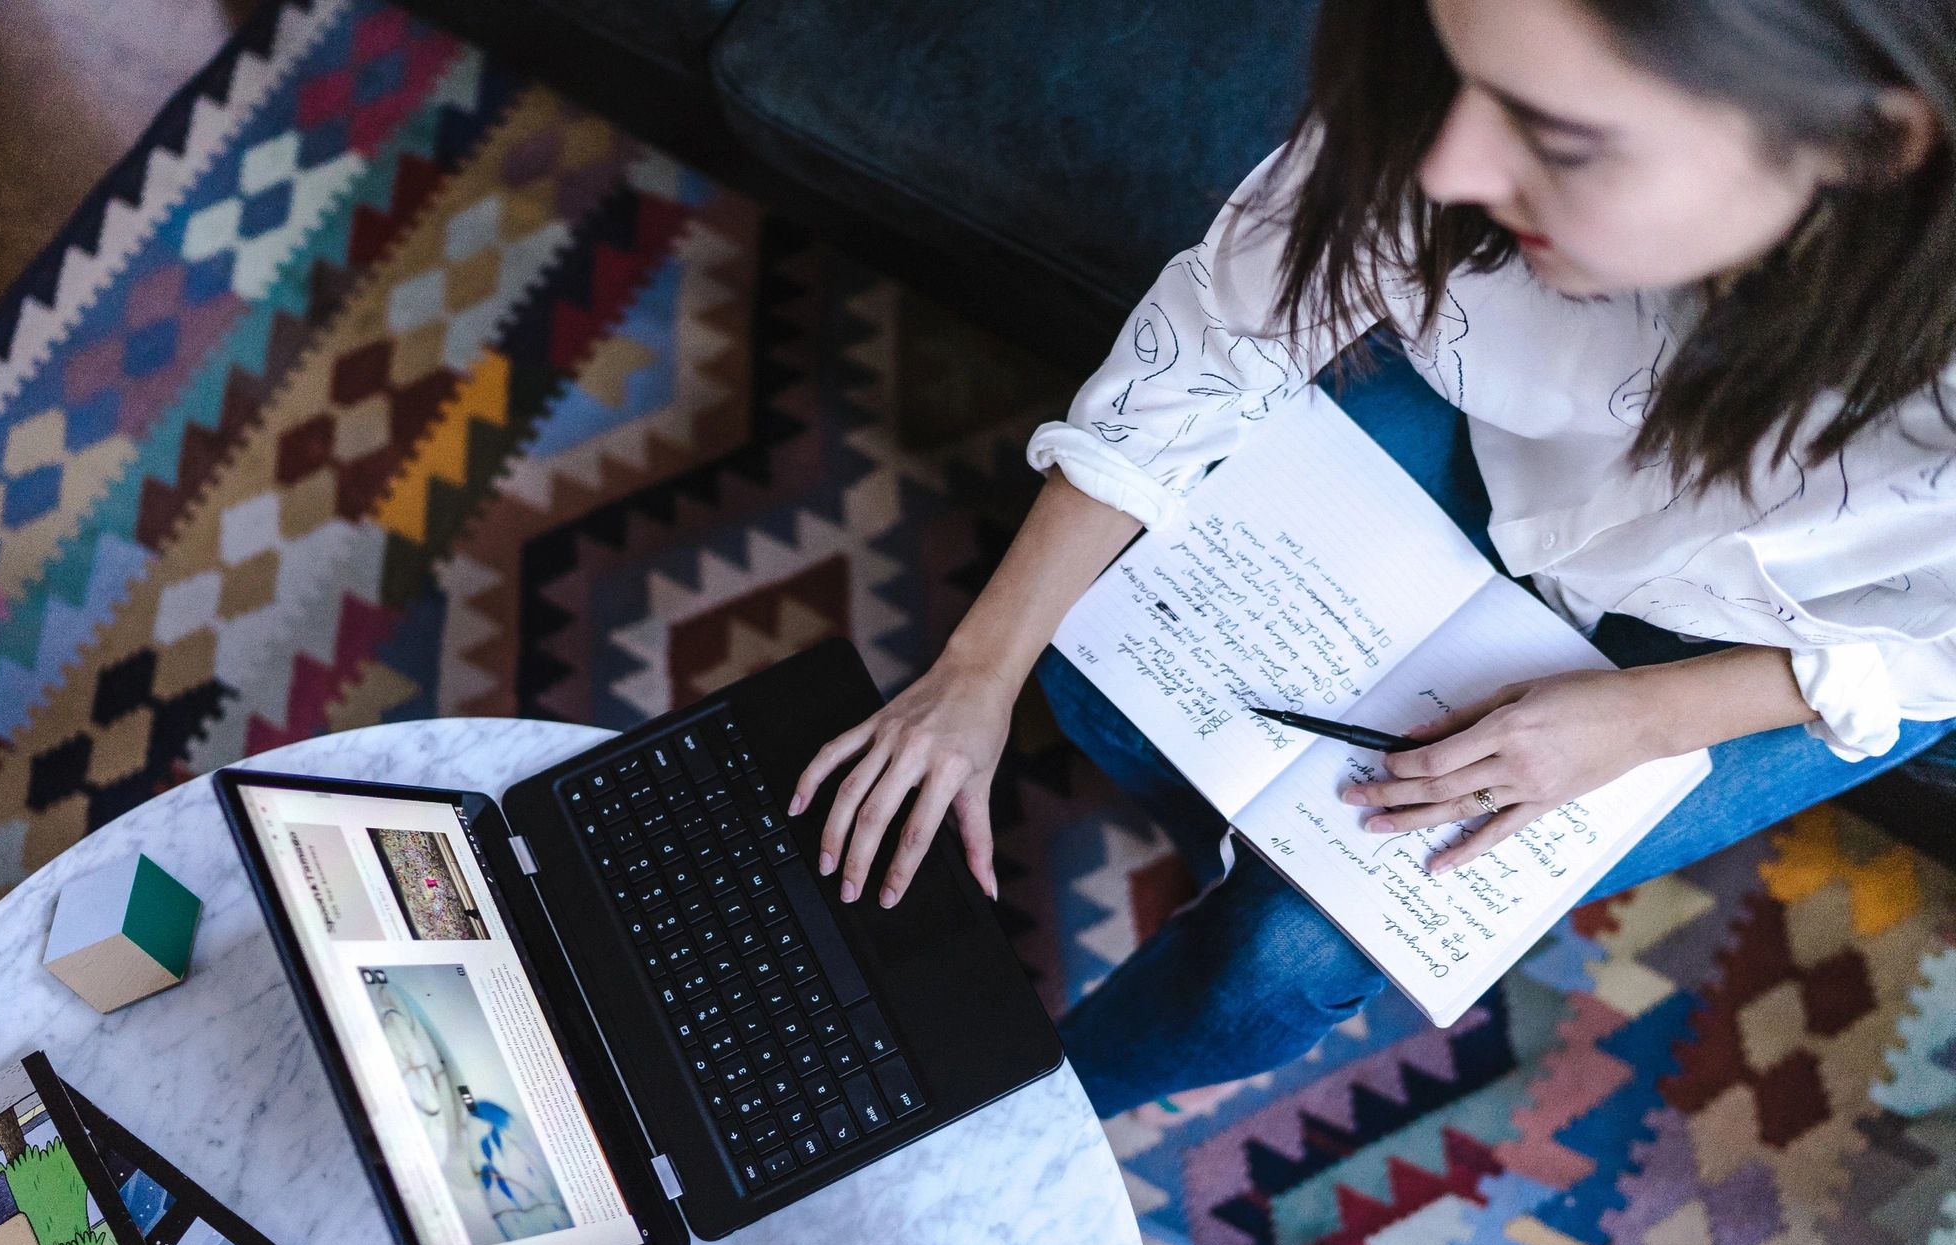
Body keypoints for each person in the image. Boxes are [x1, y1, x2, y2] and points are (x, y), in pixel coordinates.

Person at [790, 0, 1956, 1116]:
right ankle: (1225, 827)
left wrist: (1648, 719)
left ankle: (1018, 1118)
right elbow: (1223, 328)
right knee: (1097, 658)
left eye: (1558, 140)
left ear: (1867, 143)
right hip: (1514, 454)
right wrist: (975, 671)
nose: (1446, 168)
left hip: (1806, 639)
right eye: (1459, 72)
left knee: (1289, 951)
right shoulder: (1465, 116)